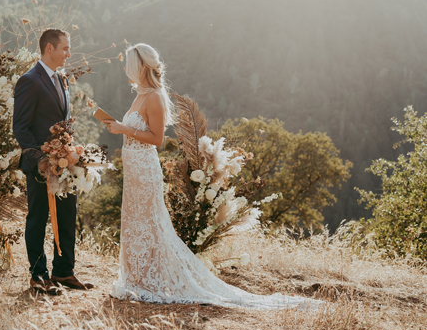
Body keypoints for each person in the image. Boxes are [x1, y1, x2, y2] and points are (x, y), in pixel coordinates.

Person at [103, 43, 320, 309]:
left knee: (150, 223)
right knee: (134, 221)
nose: (125, 69)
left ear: (139, 66)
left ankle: (151, 281)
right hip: (133, 170)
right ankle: (136, 278)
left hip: (146, 170)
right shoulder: (139, 95)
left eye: (128, 64)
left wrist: (123, 129)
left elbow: (157, 139)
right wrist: (120, 128)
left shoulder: (155, 97)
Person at [13, 28, 95, 295]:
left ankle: (63, 271)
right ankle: (38, 276)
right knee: (38, 218)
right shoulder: (29, 80)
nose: (68, 54)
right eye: (65, 48)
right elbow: (20, 127)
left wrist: (71, 152)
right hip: (40, 166)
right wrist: (41, 160)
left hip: (65, 163)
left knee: (68, 214)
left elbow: (63, 122)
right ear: (49, 48)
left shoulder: (61, 78)